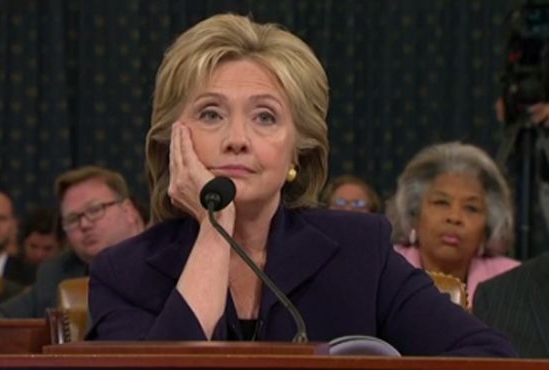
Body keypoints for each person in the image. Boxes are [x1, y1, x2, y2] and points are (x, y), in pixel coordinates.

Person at [85, 14, 515, 356]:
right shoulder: (124, 273)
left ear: (298, 151)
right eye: (211, 114)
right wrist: (215, 231)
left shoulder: (360, 252)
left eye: (265, 117)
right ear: (172, 138)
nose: (237, 138)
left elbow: (488, 356)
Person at [0, 166, 144, 318]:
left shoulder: (162, 259)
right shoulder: (56, 272)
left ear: (128, 210)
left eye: (94, 210)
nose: (84, 225)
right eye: (73, 219)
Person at [386, 142, 521, 306]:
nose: (454, 217)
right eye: (441, 202)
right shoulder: (384, 270)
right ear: (414, 213)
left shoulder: (514, 280)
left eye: (471, 208)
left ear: (488, 227)